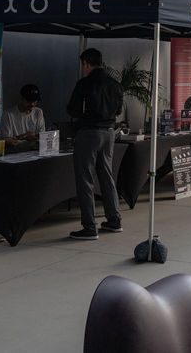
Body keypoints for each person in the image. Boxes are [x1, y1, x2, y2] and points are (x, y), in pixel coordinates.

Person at [67, 48, 124, 240]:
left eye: (83, 65)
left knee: (85, 178)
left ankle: (89, 226)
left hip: (89, 132)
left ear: (86, 63)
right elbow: (118, 110)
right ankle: (114, 219)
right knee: (106, 175)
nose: (83, 68)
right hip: (109, 132)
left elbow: (73, 110)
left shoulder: (84, 83)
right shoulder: (115, 84)